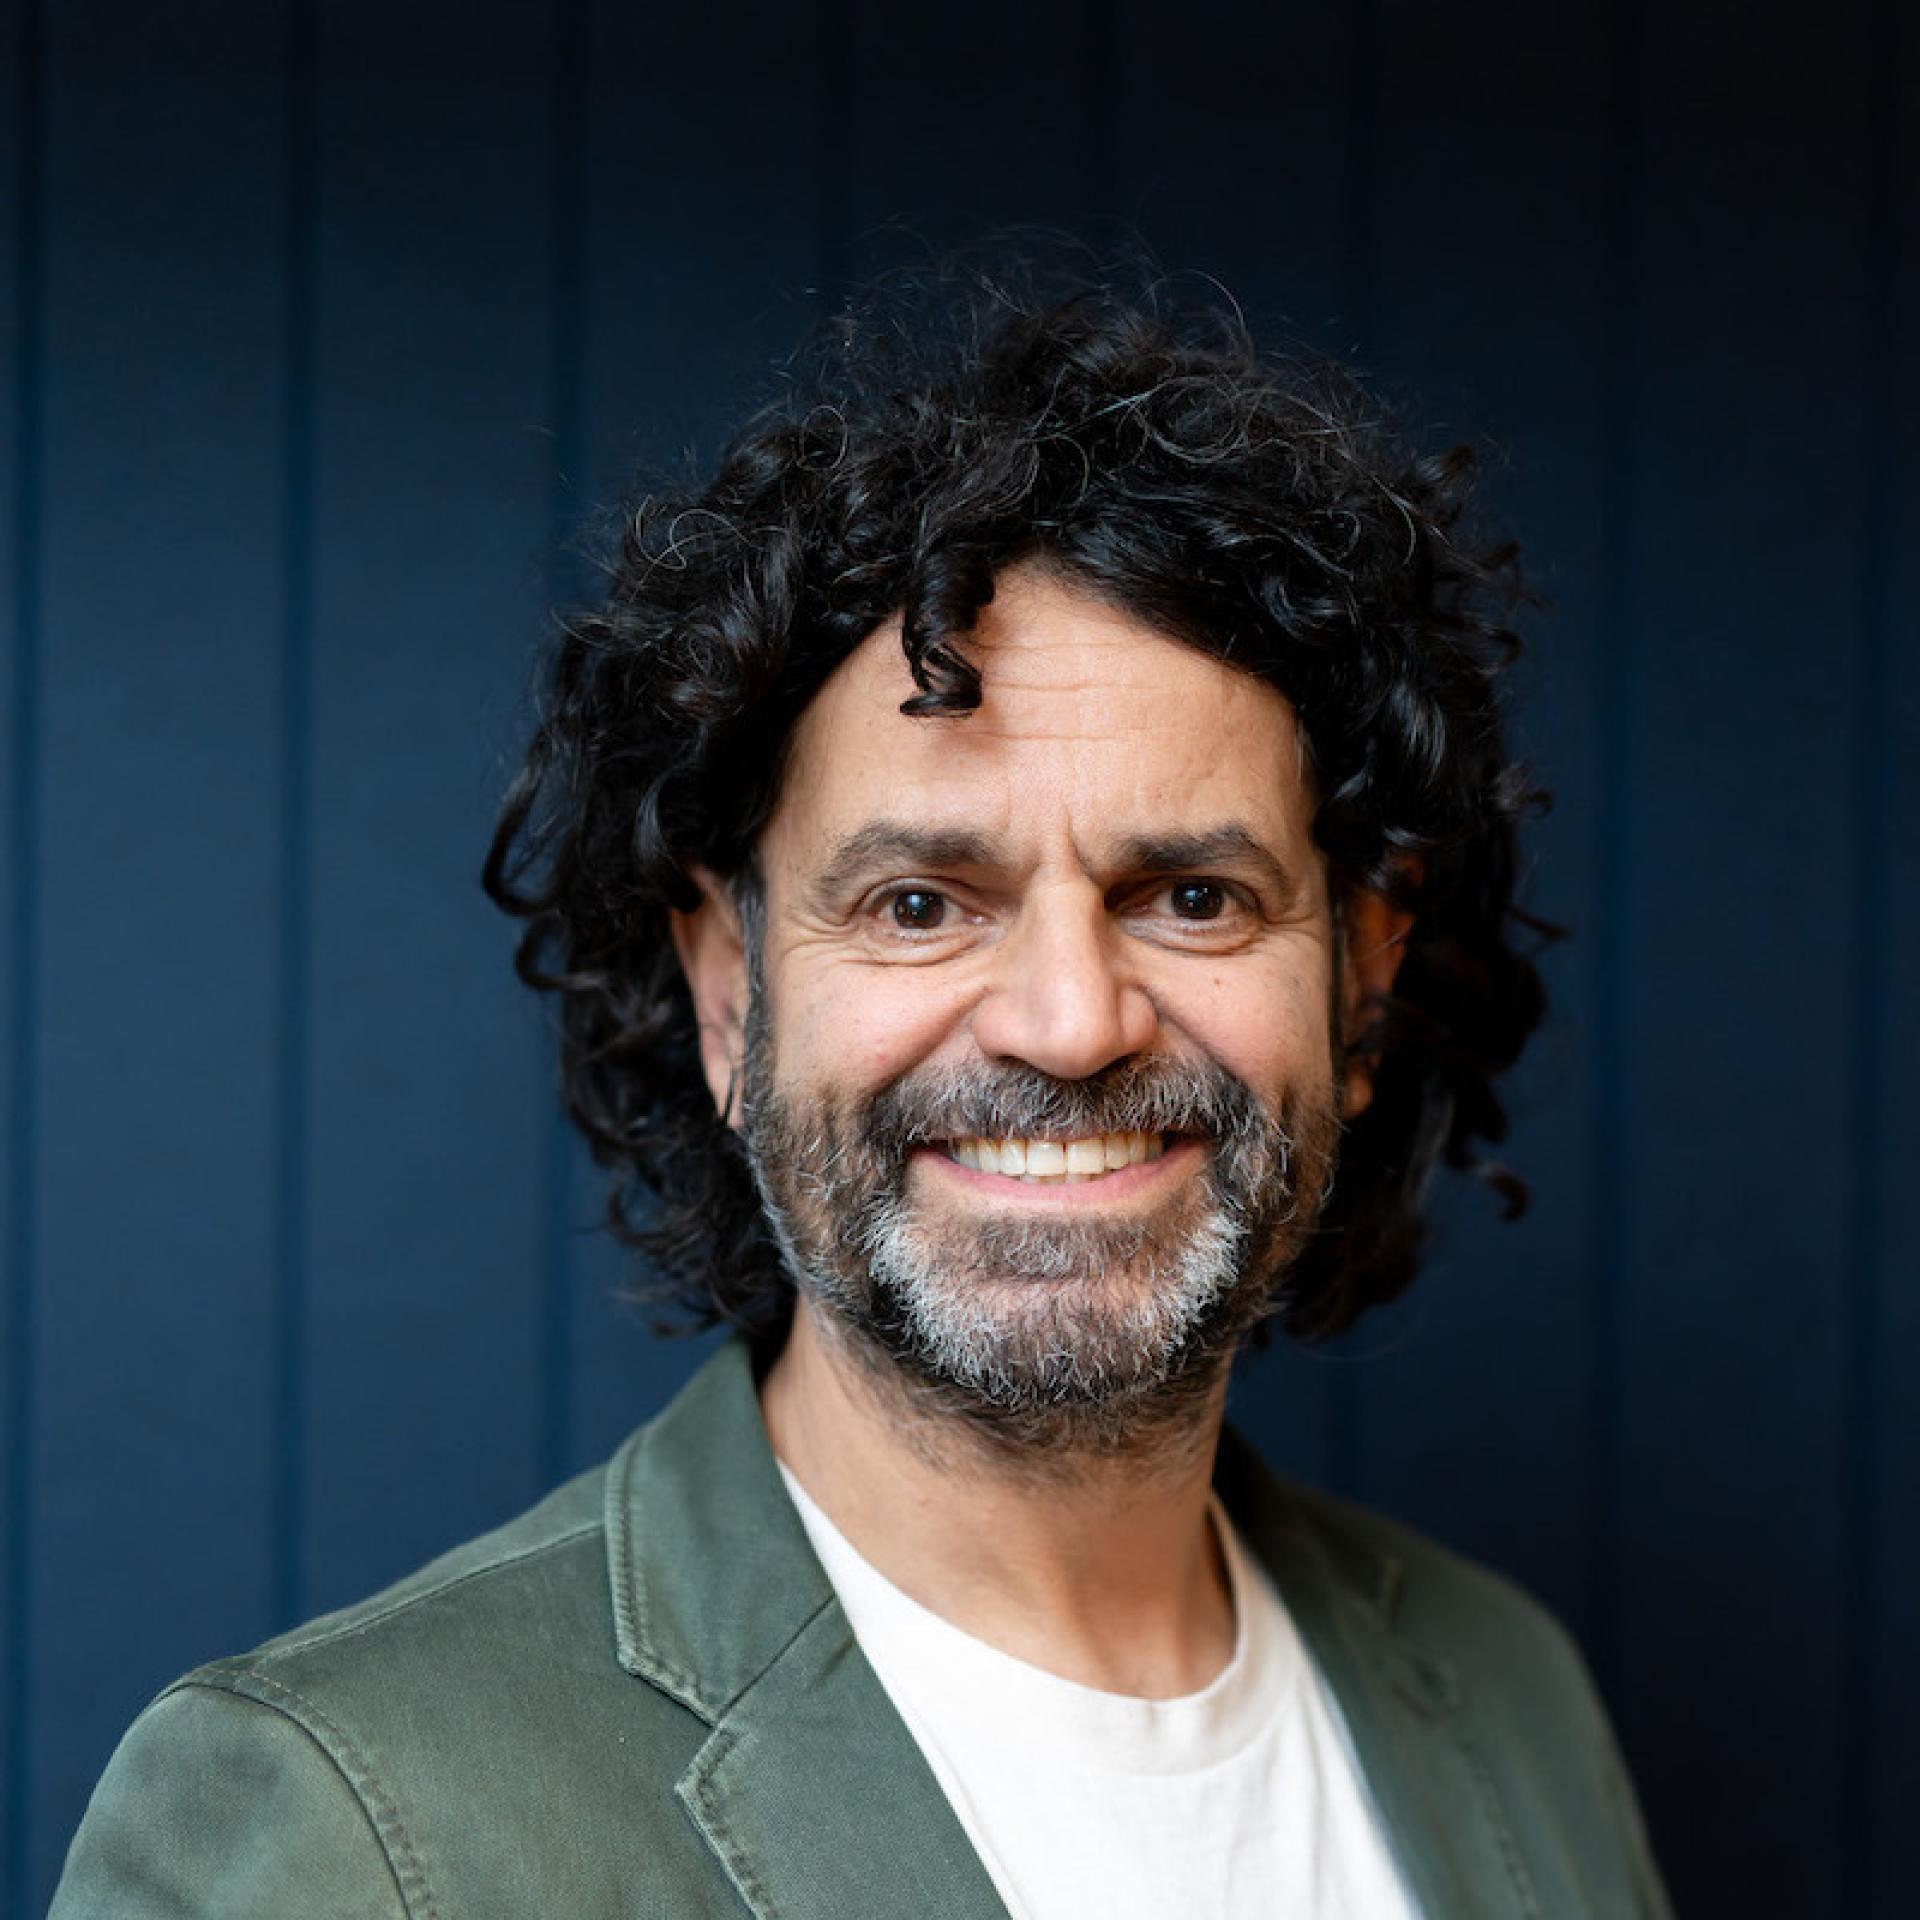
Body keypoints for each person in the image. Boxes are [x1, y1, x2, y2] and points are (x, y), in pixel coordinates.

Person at [52, 270, 1671, 1917]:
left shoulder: (1508, 1698)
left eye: (1192, 896)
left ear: (1360, 980)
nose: (1067, 1024)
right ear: (729, 992)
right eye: (920, 903)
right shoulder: (341, 1829)